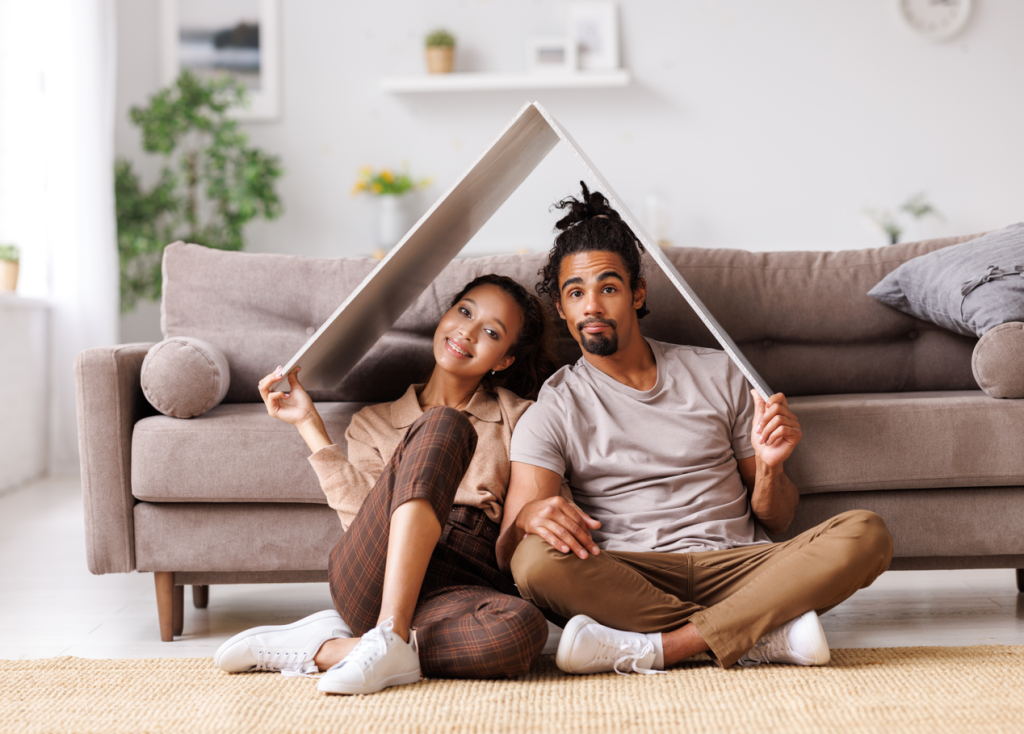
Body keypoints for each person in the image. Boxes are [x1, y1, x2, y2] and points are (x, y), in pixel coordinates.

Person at [496, 183, 894, 675]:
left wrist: (770, 469)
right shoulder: (552, 409)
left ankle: (662, 647)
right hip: (629, 573)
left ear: (637, 293)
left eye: (608, 288)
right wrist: (532, 516)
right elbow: (512, 548)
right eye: (576, 293)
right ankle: (756, 636)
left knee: (867, 532)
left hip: (739, 565)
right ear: (561, 308)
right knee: (534, 562)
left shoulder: (718, 373)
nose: (592, 306)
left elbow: (778, 520)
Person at [215, 274, 558, 695]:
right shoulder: (372, 423)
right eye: (464, 311)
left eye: (490, 332)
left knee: (523, 630)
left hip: (464, 582)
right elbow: (361, 523)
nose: (466, 332)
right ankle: (389, 631)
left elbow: (540, 517)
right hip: (374, 580)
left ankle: (332, 648)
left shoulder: (521, 417)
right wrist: (308, 423)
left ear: (504, 359)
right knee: (443, 425)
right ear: (447, 314)